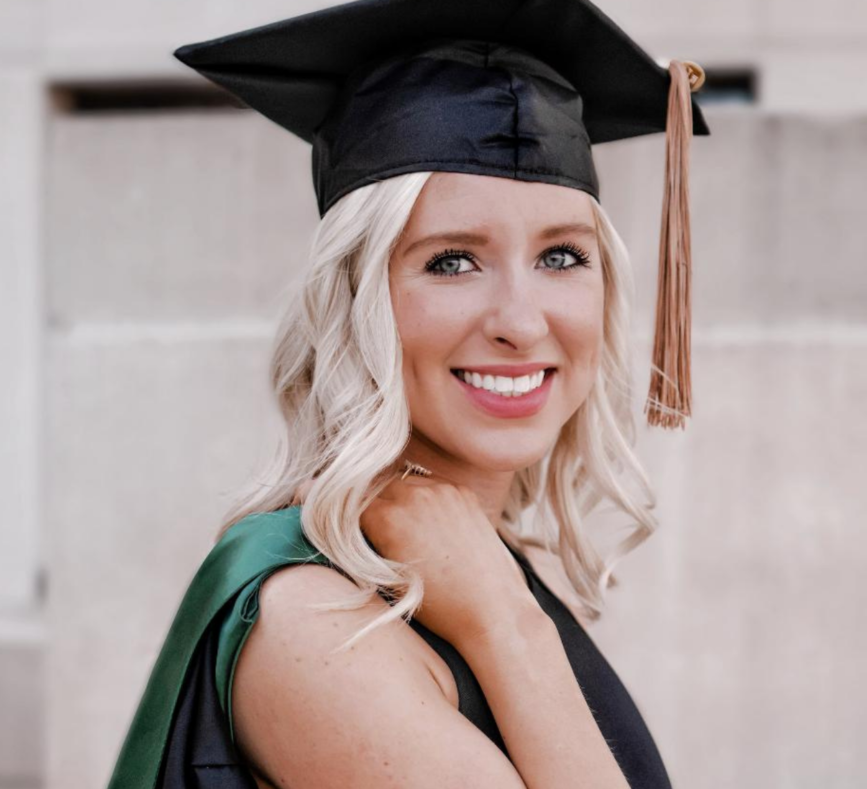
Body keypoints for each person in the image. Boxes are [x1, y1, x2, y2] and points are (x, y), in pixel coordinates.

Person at [105, 1, 712, 788]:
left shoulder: (466, 559)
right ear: (355, 301)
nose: (522, 323)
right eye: (452, 261)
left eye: (563, 255)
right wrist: (509, 626)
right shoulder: (316, 622)